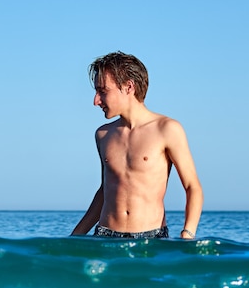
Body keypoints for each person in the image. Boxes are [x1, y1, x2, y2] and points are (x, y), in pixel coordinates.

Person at [70, 51, 203, 239]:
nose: (96, 101)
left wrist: (187, 234)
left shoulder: (167, 129)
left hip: (151, 239)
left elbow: (193, 187)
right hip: (104, 236)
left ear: (129, 87)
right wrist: (75, 237)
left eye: (103, 91)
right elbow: (105, 191)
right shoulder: (103, 135)